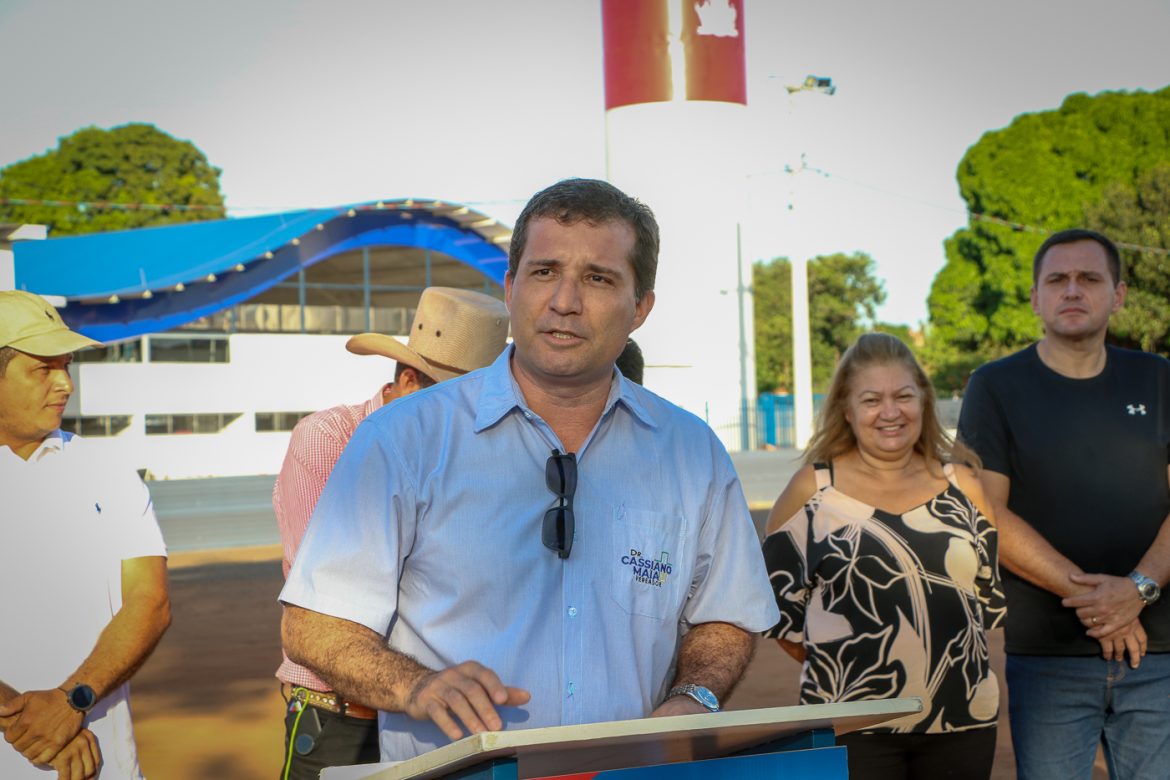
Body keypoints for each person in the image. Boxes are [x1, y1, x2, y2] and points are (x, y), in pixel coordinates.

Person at [278, 177, 779, 764]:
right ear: (511, 288)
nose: (564, 300)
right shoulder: (401, 440)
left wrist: (694, 696)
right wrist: (413, 685)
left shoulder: (692, 453)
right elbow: (315, 623)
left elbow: (726, 615)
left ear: (640, 306)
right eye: (544, 272)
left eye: (598, 278)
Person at [957, 228, 1170, 780]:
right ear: (1035, 298)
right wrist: (1105, 603)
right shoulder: (994, 386)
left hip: (1160, 653)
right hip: (1048, 659)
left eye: (1089, 278)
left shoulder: (1160, 379)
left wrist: (1139, 590)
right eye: (1057, 279)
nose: (1072, 290)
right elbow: (984, 510)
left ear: (1118, 294)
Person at [272, 286, 510, 780]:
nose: (466, 416)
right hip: (340, 713)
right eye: (453, 398)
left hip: (432, 716)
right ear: (407, 380)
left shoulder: (468, 452)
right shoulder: (328, 441)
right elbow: (330, 595)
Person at [763, 332, 1005, 780]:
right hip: (849, 723)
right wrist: (853, 662)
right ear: (847, 409)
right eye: (872, 399)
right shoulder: (810, 492)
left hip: (963, 719)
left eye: (903, 396)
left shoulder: (965, 487)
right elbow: (780, 614)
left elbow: (983, 600)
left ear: (924, 401)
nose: (890, 412)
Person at [0, 290, 171, 780]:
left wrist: (73, 702)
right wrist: (33, 722)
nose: (65, 385)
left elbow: (150, 602)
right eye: (43, 369)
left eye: (67, 366)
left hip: (106, 765)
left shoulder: (106, 468)